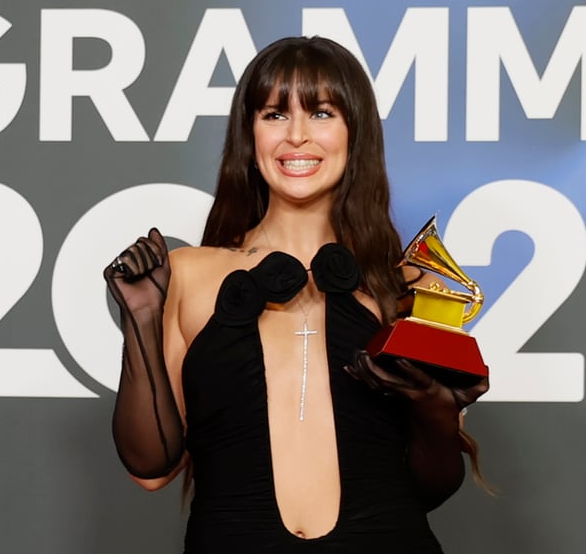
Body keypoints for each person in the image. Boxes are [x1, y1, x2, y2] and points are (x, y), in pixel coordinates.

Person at [104, 35, 489, 553]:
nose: (298, 137)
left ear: (356, 133)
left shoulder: (409, 286)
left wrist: (435, 411)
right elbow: (151, 471)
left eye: (322, 113)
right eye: (274, 115)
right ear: (250, 134)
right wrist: (143, 324)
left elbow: (432, 489)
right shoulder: (188, 275)